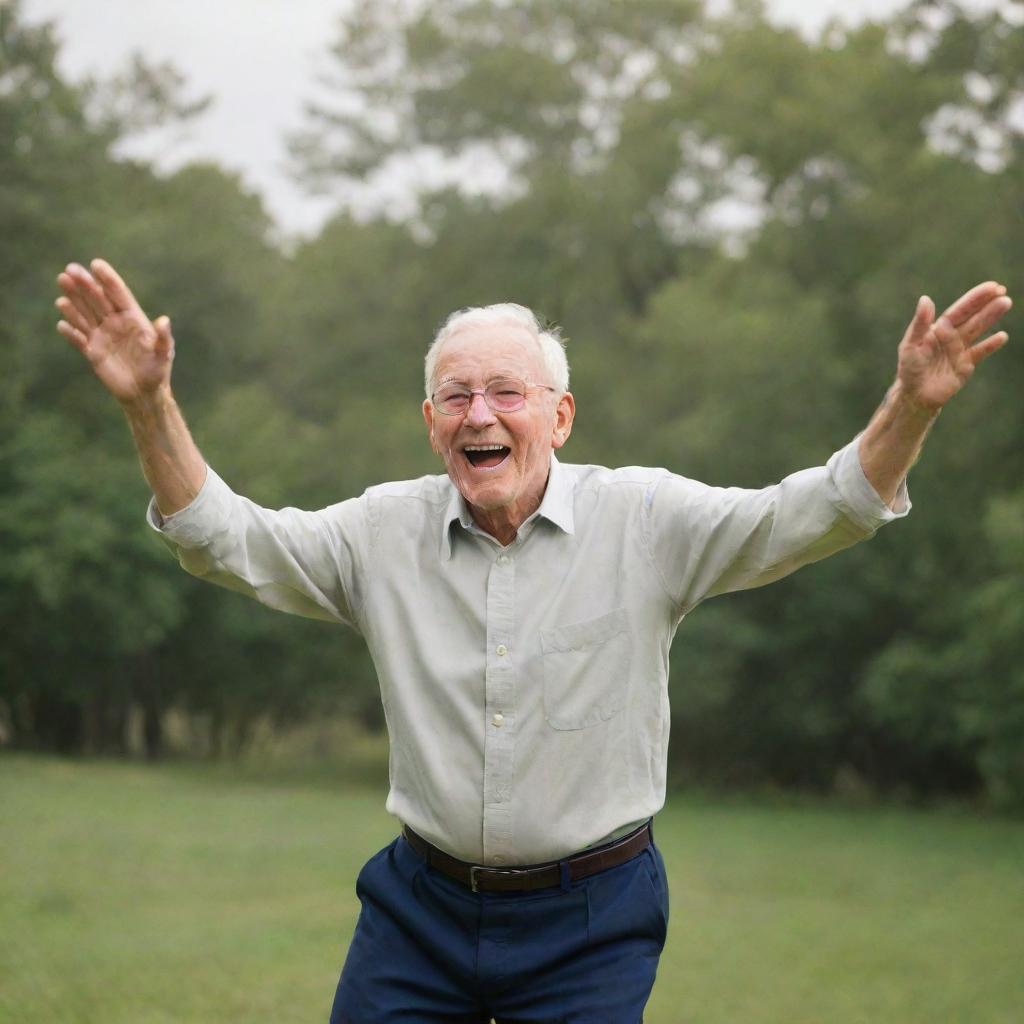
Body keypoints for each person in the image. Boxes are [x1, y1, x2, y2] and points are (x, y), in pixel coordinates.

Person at [56, 259, 1011, 1023]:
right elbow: (225, 538)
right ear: (431, 424)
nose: (480, 414)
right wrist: (147, 403)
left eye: (506, 392)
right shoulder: (378, 535)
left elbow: (813, 514)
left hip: (594, 916)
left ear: (558, 417)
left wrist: (913, 405)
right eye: (456, 396)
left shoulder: (646, 519)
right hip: (418, 910)